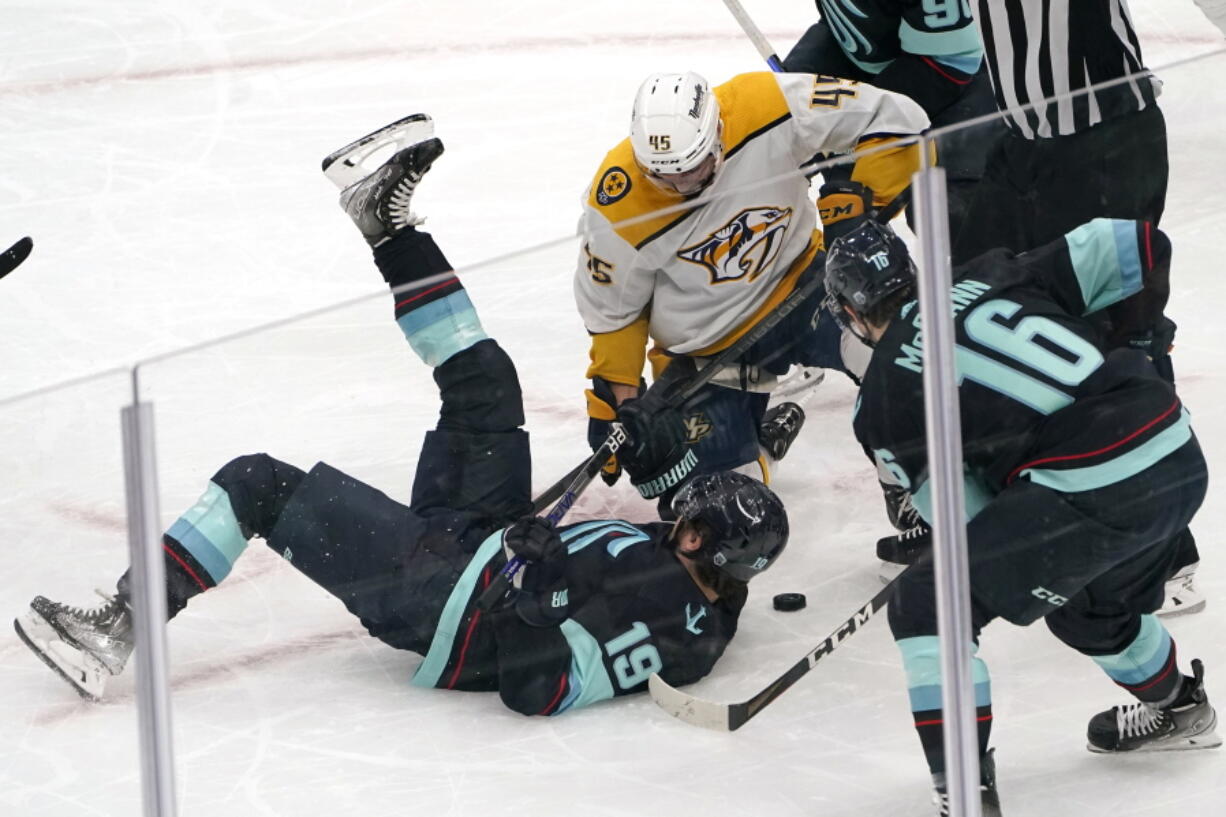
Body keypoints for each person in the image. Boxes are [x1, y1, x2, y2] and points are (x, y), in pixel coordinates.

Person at [13, 119, 790, 714]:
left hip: (445, 597)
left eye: (689, 513)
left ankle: (118, 626)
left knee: (257, 485)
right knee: (487, 383)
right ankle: (385, 219)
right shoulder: (698, 574)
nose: (678, 512)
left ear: (698, 539)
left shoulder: (675, 620)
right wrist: (646, 427)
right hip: (486, 540)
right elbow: (656, 493)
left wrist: (541, 586)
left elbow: (539, 686)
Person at [822, 218, 1218, 814]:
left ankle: (967, 797)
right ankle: (1183, 707)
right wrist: (1139, 345)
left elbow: (966, 518)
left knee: (928, 604)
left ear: (850, 316)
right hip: (1174, 448)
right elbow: (1139, 244)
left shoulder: (878, 402)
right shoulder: (994, 269)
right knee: (1086, 610)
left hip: (1089, 481)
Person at [928, 0, 1204, 615]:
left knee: (1121, 335)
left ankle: (1164, 554)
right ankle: (997, 510)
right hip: (1025, 144)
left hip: (1108, 141)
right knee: (965, 304)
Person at [574, 69, 928, 513]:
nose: (683, 186)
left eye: (694, 168)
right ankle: (760, 444)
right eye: (666, 178)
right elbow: (614, 316)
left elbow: (898, 118)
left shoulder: (765, 104)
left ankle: (911, 484)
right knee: (714, 509)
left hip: (803, 288)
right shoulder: (615, 207)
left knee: (897, 355)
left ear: (718, 129)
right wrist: (617, 406)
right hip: (707, 350)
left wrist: (861, 202)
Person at [781, 0, 1003, 239]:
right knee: (847, 217)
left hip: (961, 84)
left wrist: (864, 127)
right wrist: (793, 96)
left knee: (947, 218)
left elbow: (951, 60)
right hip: (876, 62)